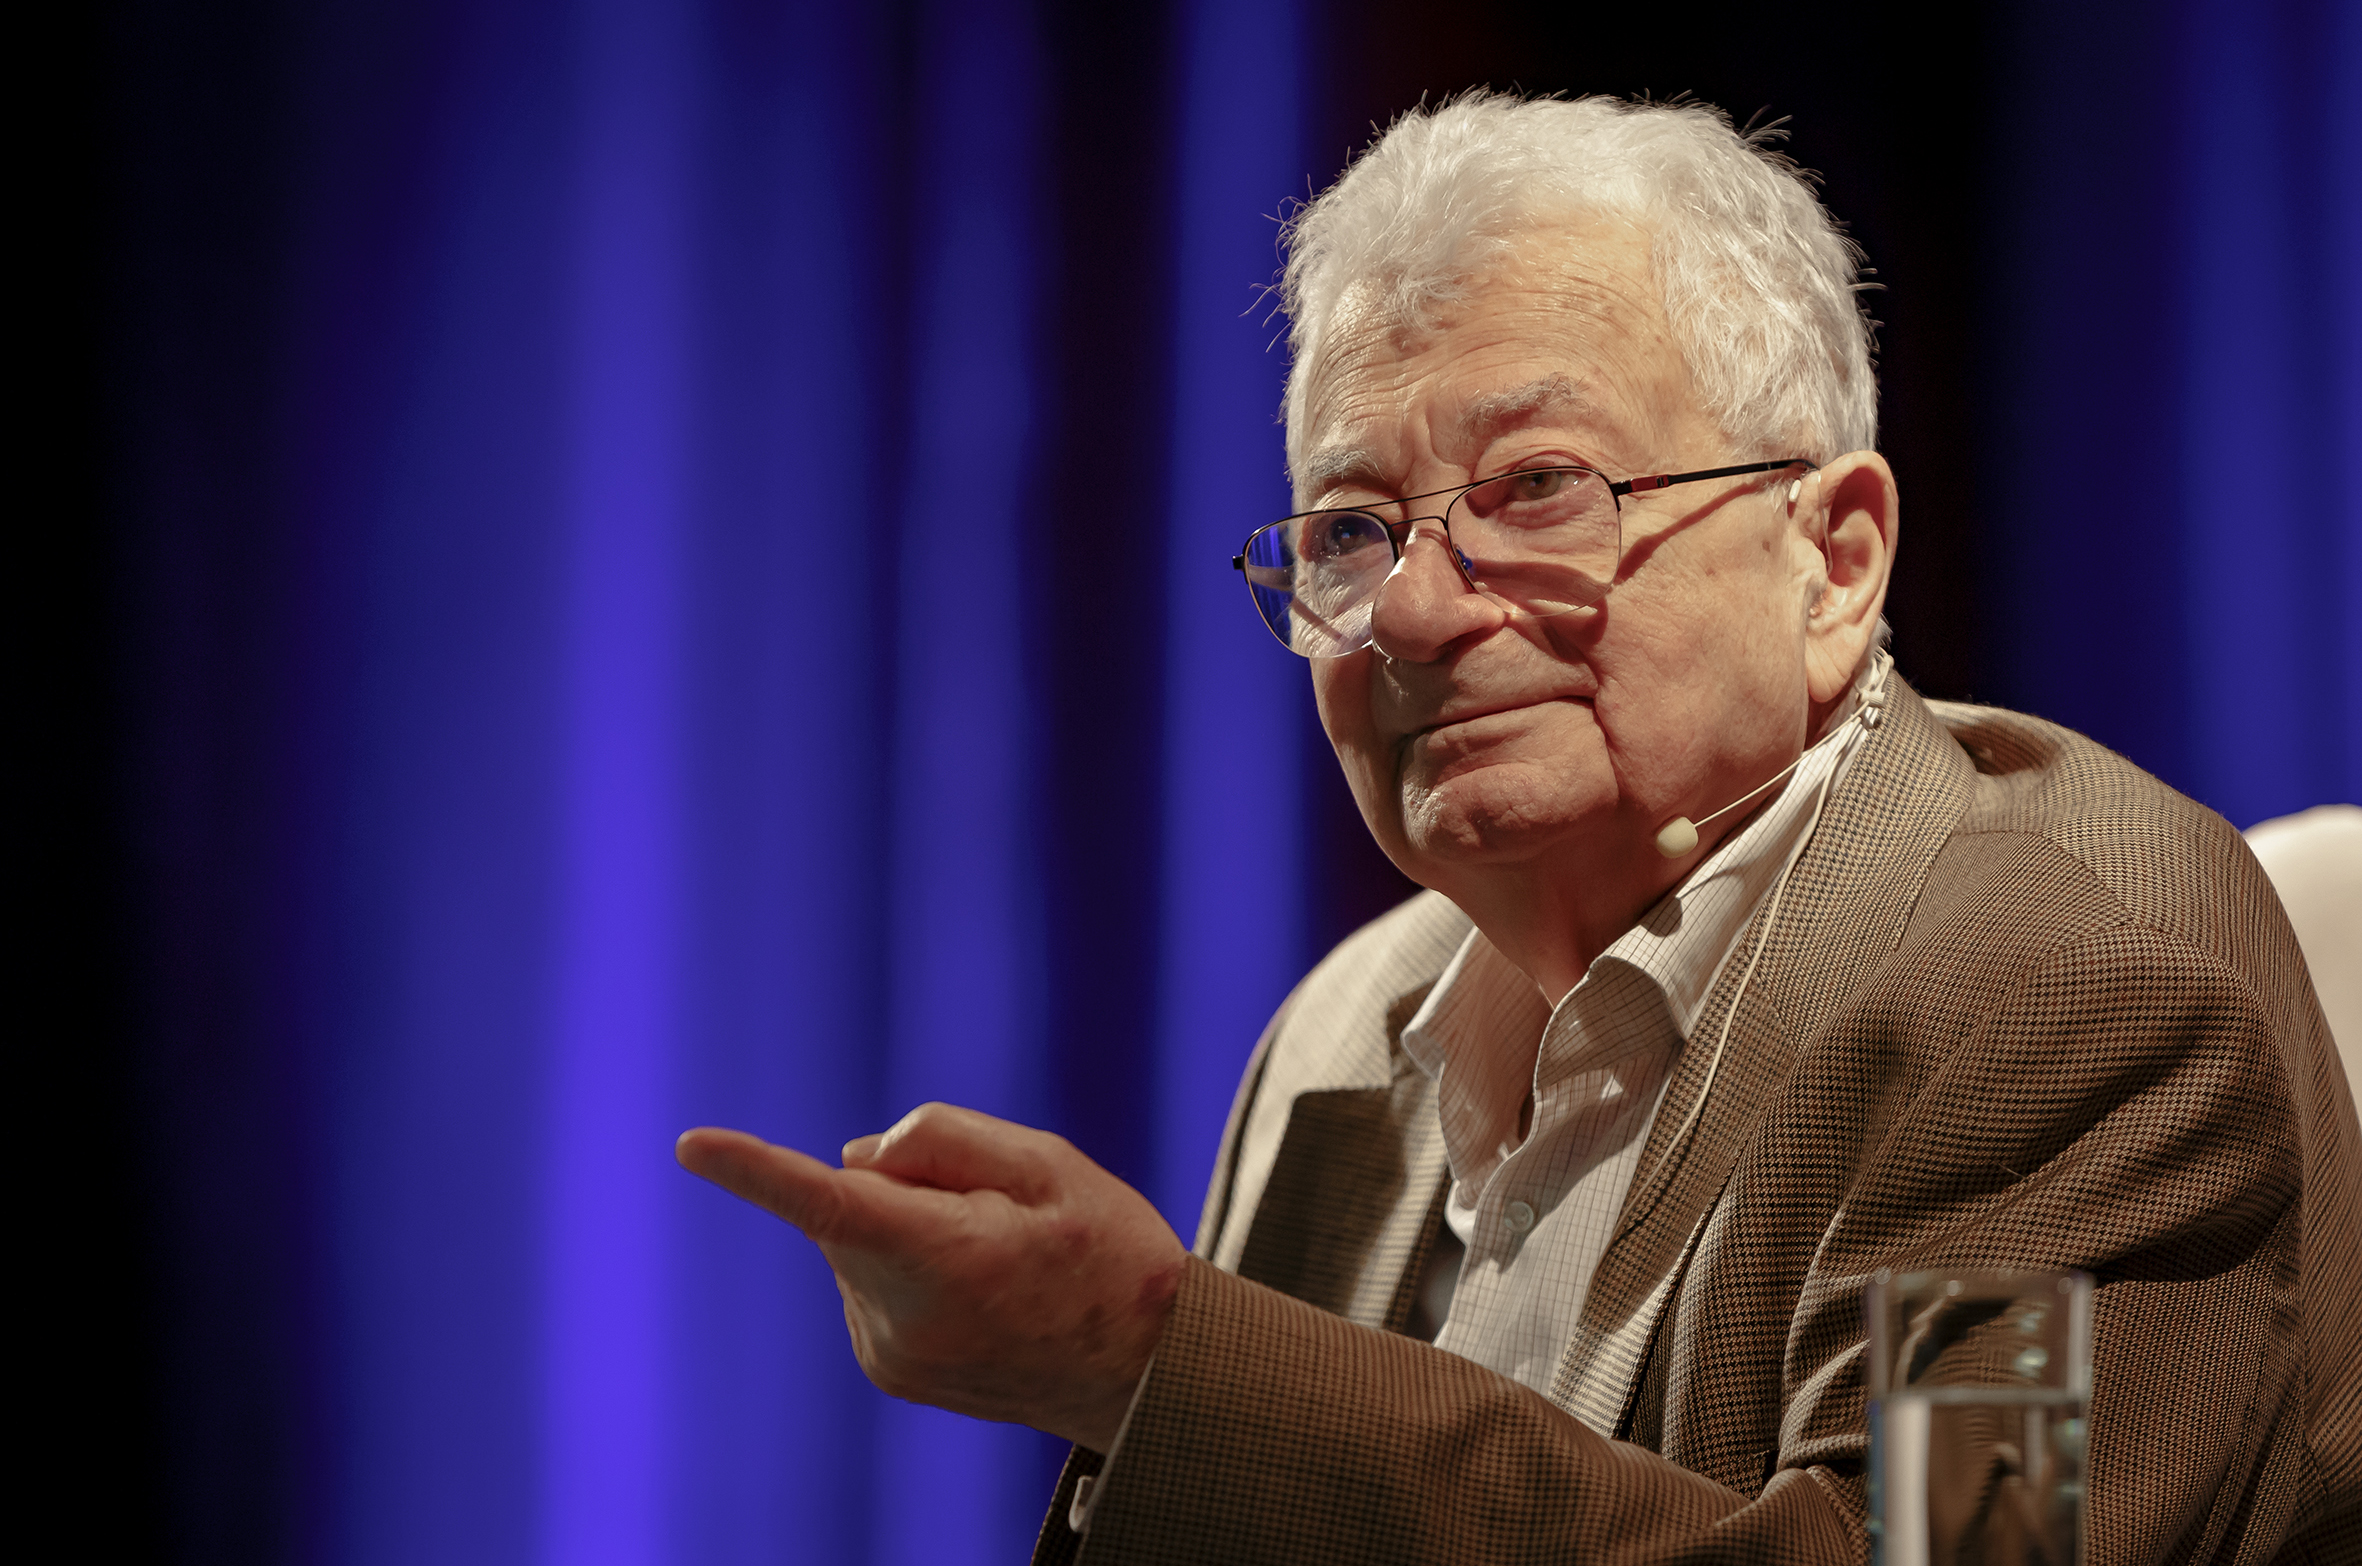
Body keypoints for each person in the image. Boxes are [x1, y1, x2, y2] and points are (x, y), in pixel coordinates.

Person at [678, 95, 2361, 1562]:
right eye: (1349, 531)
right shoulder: (1346, 1030)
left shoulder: (2063, 1001)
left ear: (1831, 559)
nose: (1411, 609)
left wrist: (1151, 1362)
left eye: (1538, 489)